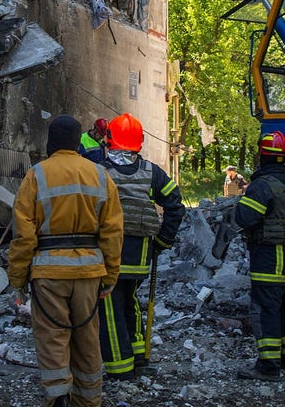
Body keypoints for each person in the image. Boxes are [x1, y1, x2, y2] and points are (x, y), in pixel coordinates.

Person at [8, 114, 124, 407]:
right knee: (87, 338)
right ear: (77, 141)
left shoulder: (37, 175)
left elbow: (24, 235)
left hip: (49, 274)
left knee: (52, 338)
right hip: (89, 272)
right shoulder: (100, 175)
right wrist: (110, 275)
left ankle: (58, 396)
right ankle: (88, 400)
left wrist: (18, 280)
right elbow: (112, 231)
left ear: (51, 141)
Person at [97, 112, 186, 380]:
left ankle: (120, 368)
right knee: (130, 301)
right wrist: (162, 241)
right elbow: (175, 206)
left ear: (108, 140)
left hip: (109, 251)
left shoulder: (97, 170)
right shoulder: (152, 172)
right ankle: (139, 357)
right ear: (140, 142)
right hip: (140, 252)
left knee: (108, 307)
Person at [234, 131, 285, 382]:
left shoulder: (262, 186)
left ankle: (268, 366)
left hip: (267, 257)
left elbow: (244, 218)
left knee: (266, 309)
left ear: (263, 157)